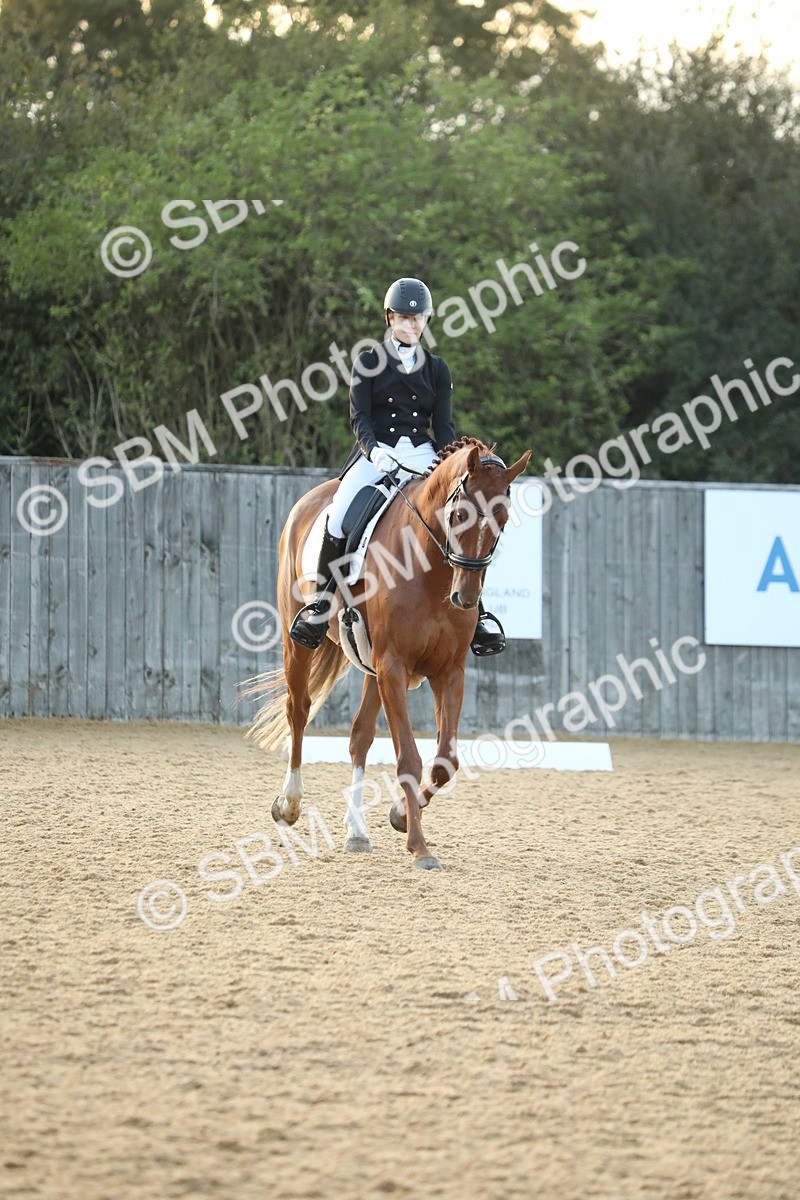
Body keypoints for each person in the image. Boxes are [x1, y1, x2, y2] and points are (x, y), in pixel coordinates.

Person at [289, 277, 505, 655]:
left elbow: (444, 427)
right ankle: (321, 605)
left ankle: (480, 611)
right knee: (339, 513)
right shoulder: (369, 361)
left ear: (426, 320)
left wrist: (447, 464)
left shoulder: (437, 369)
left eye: (418, 318)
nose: (411, 324)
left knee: (463, 515)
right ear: (390, 318)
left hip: (423, 455)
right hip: (377, 454)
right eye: (404, 318)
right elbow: (360, 419)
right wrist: (374, 451)